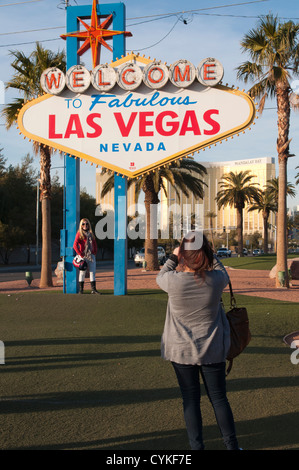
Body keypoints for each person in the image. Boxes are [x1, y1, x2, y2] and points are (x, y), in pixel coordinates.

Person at [156, 231, 239, 450]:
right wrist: (211, 256)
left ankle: (197, 448)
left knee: (190, 400)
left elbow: (160, 275)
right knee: (219, 399)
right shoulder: (216, 280)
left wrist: (174, 256)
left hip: (181, 352)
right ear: (206, 253)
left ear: (184, 255)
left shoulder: (173, 281)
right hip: (212, 349)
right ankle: (231, 446)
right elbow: (223, 272)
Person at [73, 218, 100, 294]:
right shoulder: (79, 233)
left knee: (92, 272)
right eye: (83, 224)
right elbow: (75, 245)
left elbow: (94, 243)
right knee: (82, 273)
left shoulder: (91, 233)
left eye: (87, 224)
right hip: (83, 256)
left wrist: (95, 252)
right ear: (81, 225)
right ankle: (81, 290)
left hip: (91, 255)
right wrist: (80, 254)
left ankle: (93, 289)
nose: (85, 225)